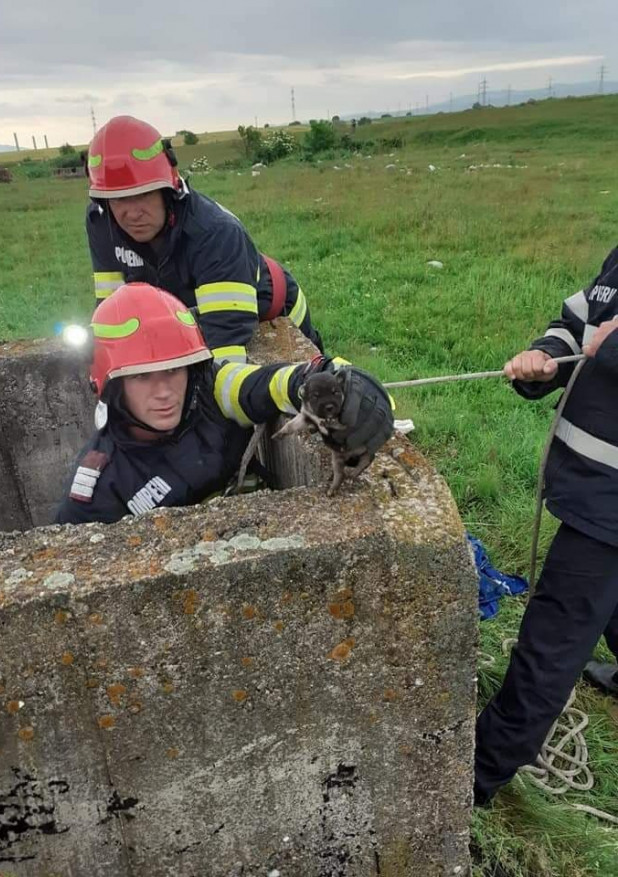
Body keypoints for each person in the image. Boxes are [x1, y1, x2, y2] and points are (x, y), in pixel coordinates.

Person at [56, 282, 393, 525]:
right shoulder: (98, 488)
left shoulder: (211, 392)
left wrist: (327, 378)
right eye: (142, 377)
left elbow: (269, 384)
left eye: (174, 370)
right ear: (111, 385)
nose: (164, 392)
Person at [474, 246, 618, 805]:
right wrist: (544, 357)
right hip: (595, 491)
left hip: (608, 510)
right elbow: (576, 323)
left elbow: (606, 345)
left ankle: (472, 782)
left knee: (547, 650)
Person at [84, 115, 322, 366]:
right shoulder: (100, 222)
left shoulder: (215, 233)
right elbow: (112, 315)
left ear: (170, 191)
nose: (132, 213)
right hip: (193, 316)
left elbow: (224, 350)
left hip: (273, 315)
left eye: (143, 195)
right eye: (119, 199)